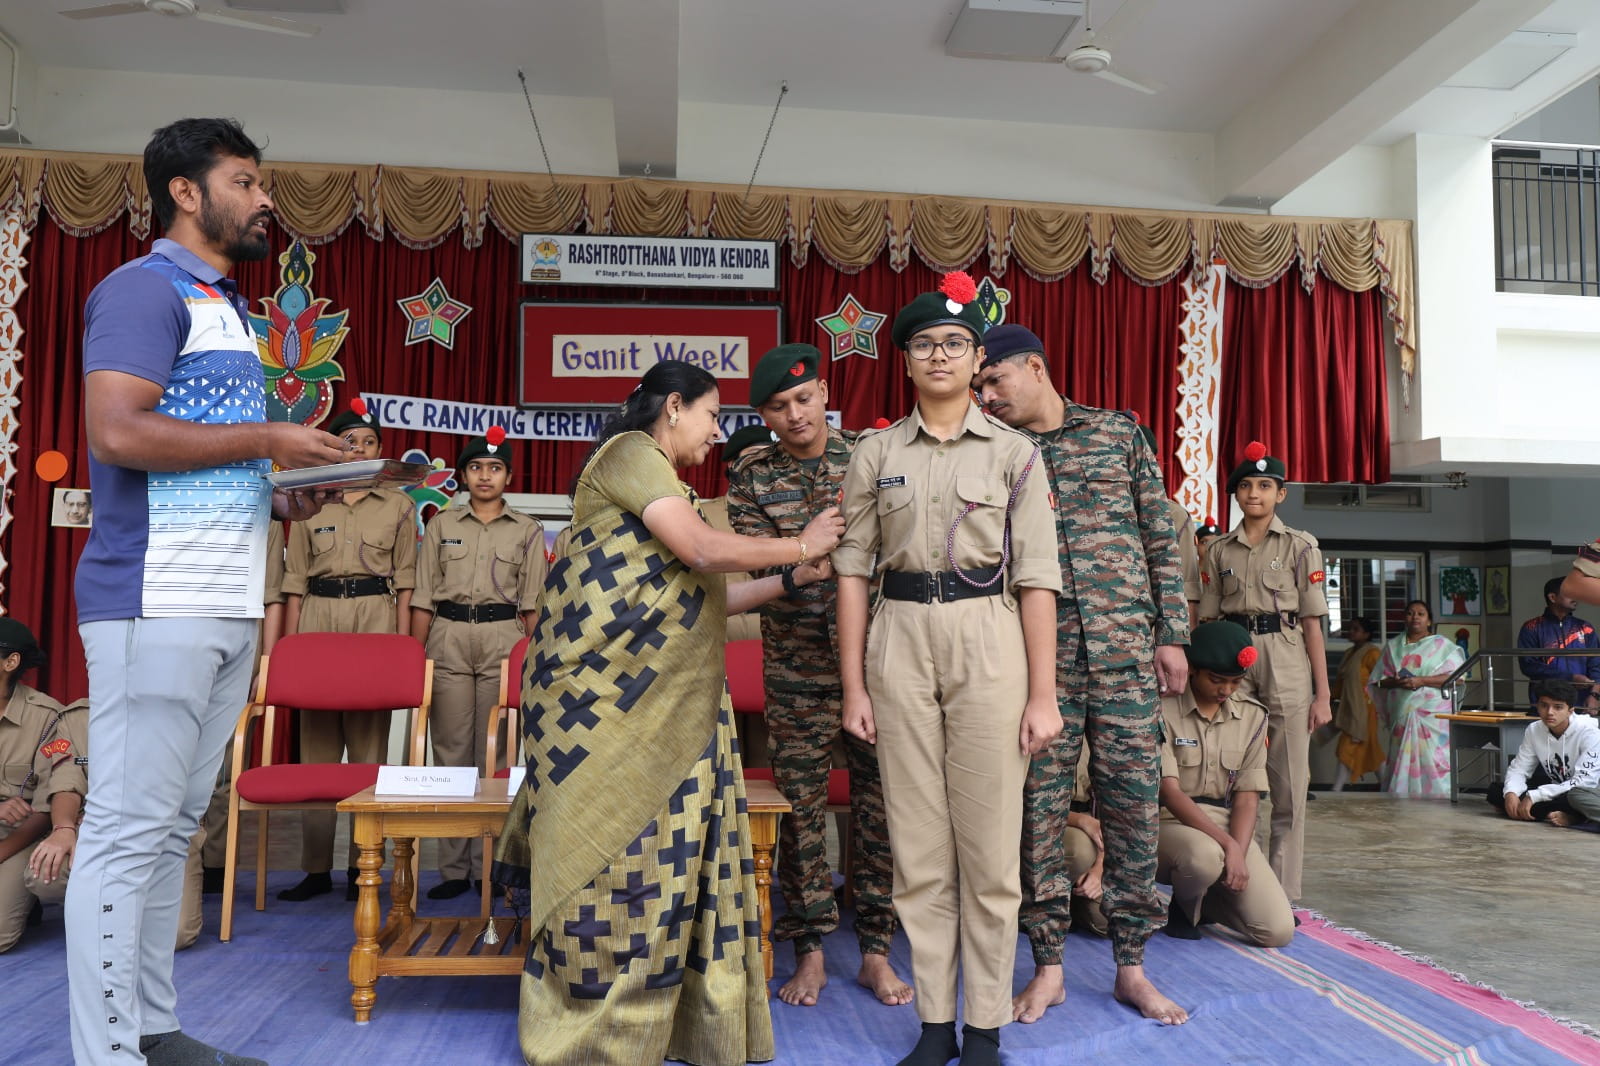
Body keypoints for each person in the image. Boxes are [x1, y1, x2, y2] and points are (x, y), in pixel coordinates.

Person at [68, 116, 345, 1066]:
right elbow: (117, 431)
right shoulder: (143, 290)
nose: (266, 200)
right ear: (185, 193)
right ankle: (106, 1053)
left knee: (173, 828)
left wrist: (284, 493)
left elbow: (201, 456)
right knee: (126, 832)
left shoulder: (226, 308)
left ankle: (151, 1031)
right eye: (245, 182)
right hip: (155, 602)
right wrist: (271, 440)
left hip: (227, 601)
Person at [492, 360, 843, 1066]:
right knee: (601, 856)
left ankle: (674, 1018)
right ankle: (590, 1023)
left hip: (661, 709)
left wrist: (790, 577)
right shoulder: (631, 454)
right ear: (674, 407)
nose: (717, 433)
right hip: (594, 707)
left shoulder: (669, 490)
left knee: (667, 863)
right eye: (712, 416)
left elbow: (707, 599)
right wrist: (803, 542)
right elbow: (703, 551)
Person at [837, 275, 1063, 1066]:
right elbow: (852, 572)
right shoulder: (874, 454)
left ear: (976, 359)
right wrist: (855, 685)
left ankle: (986, 1031)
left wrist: (1043, 694)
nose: (941, 355)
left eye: (956, 344)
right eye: (926, 344)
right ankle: (937, 1026)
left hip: (988, 640)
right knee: (920, 851)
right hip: (898, 638)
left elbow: (1037, 577)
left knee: (991, 855)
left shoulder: (1015, 454)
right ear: (905, 359)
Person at [973, 323, 1190, 1027]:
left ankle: (1132, 967)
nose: (986, 395)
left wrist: (1172, 634)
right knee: (1038, 813)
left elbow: (1159, 536)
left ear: (1036, 368)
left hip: (1126, 654)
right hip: (1042, 666)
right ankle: (1048, 969)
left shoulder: (1116, 434)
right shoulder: (994, 452)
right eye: (979, 386)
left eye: (995, 380)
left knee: (1134, 809)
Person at [726, 343, 907, 1008]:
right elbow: (753, 569)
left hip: (880, 666)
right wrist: (802, 553)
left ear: (825, 392)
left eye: (804, 399)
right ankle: (809, 951)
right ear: (764, 416)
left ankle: (876, 951)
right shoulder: (751, 478)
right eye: (778, 406)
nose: (795, 414)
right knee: (800, 813)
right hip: (796, 666)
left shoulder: (874, 457)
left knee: (881, 809)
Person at [280, 398, 416, 902]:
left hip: (375, 619)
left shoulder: (399, 507)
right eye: (349, 440)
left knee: (368, 753)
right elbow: (294, 584)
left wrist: (403, 650)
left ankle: (366, 867)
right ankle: (316, 869)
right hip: (318, 618)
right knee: (315, 756)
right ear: (334, 449)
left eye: (368, 441)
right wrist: (287, 653)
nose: (359, 448)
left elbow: (407, 585)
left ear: (380, 451)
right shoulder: (308, 503)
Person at [411, 427, 546, 900]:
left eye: (494, 468)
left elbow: (533, 606)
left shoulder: (527, 530)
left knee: (499, 754)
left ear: (508, 476)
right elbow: (422, 597)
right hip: (448, 636)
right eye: (475, 468)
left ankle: (494, 865)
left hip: (503, 638)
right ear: (463, 476)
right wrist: (416, 658)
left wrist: (534, 661)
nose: (485, 476)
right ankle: (454, 869)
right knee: (450, 750)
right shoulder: (441, 525)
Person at [1198, 441, 1330, 903]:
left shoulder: (1300, 546)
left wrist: (1323, 695)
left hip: (1286, 657)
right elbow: (1207, 619)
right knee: (1230, 774)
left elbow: (1312, 623)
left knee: (1289, 784)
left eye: (1265, 486)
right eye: (1246, 486)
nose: (1254, 493)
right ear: (1235, 494)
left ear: (1281, 494)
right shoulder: (1218, 550)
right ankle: (1233, 882)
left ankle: (1282, 893)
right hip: (1231, 658)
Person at [1155, 621, 1294, 947]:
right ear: (1192, 670)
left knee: (1276, 931)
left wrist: (1238, 853)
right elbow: (1169, 792)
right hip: (1168, 822)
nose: (1226, 690)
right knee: (1203, 857)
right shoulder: (1161, 708)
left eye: (1236, 681)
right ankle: (1184, 905)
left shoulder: (1252, 716)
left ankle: (1208, 901)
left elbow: (1247, 797)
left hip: (1226, 823)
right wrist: (1228, 847)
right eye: (1216, 680)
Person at [200, 520, 285, 894]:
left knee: (224, 767)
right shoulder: (179, 508)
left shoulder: (265, 521)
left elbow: (272, 596)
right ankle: (174, 858)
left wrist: (266, 662)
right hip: (181, 638)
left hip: (239, 641)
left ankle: (215, 865)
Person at [0, 620, 76, 952]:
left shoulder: (48, 717)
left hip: (21, 835)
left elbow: (49, 805)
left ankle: (22, 896)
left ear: (11, 662)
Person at [1375, 600, 1465, 797]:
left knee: (1435, 758)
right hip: (1403, 713)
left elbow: (1457, 679)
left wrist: (1421, 680)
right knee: (1401, 757)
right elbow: (1378, 682)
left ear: (1429, 620)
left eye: (1421, 613)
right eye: (1410, 613)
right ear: (1404, 618)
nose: (1415, 617)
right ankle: (1400, 799)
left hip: (1433, 716)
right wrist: (1396, 681)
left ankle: (1439, 800)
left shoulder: (1442, 646)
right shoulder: (1393, 647)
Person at [1490, 680, 1600, 826]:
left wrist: (1534, 796)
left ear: (1570, 710)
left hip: (1589, 792)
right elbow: (1519, 768)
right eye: (1544, 705)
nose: (1549, 712)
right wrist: (1511, 793)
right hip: (1559, 789)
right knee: (1497, 791)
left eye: (1558, 707)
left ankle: (1574, 816)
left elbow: (1585, 782)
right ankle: (1562, 814)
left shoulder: (1590, 733)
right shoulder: (1534, 729)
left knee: (1575, 796)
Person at [1517, 578, 1600, 710]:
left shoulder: (1585, 627)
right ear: (1552, 597)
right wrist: (1569, 678)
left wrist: (1594, 695)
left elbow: (1597, 664)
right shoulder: (1531, 627)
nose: (1576, 597)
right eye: (1570, 593)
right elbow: (1529, 665)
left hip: (1581, 704)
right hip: (1545, 704)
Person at [1331, 616, 1385, 791]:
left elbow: (1382, 680)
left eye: (1356, 629)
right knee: (1371, 749)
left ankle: (1336, 789)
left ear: (1367, 634)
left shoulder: (1372, 653)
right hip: (1350, 708)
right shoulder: (1349, 653)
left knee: (1346, 747)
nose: (1351, 632)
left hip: (1365, 710)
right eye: (1351, 628)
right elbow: (1341, 683)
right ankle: (1387, 785)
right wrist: (1330, 698)